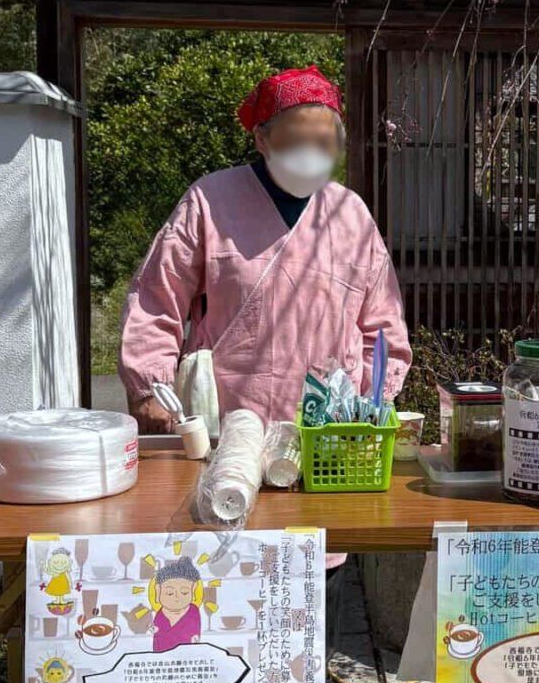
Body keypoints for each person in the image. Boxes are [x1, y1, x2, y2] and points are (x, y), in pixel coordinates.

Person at [119, 65, 411, 433]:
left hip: (331, 429)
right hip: (224, 421)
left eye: (323, 142)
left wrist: (374, 400)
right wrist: (150, 389)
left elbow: (383, 324)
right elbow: (156, 299)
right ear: (262, 139)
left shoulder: (349, 212)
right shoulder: (210, 200)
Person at [151, 556, 203, 652]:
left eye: (184, 593)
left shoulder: (192, 611)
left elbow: (193, 636)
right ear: (158, 590)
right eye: (169, 593)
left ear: (193, 589)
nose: (176, 598)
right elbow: (157, 640)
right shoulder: (160, 614)